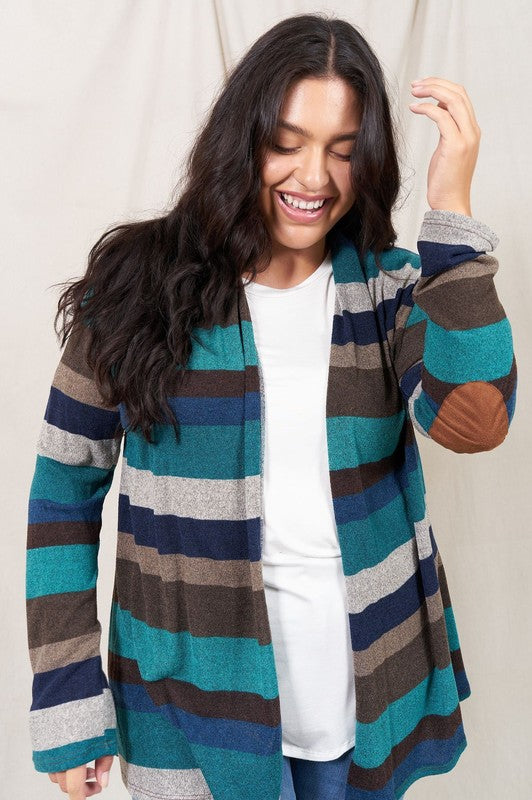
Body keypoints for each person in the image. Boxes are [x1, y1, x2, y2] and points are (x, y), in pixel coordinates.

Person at [25, 11, 517, 800]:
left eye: (342, 150)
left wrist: (451, 216)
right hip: (187, 714)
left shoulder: (389, 292)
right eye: (286, 143)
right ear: (241, 135)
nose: (312, 177)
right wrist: (69, 701)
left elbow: (476, 418)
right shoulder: (135, 286)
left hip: (363, 715)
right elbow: (61, 494)